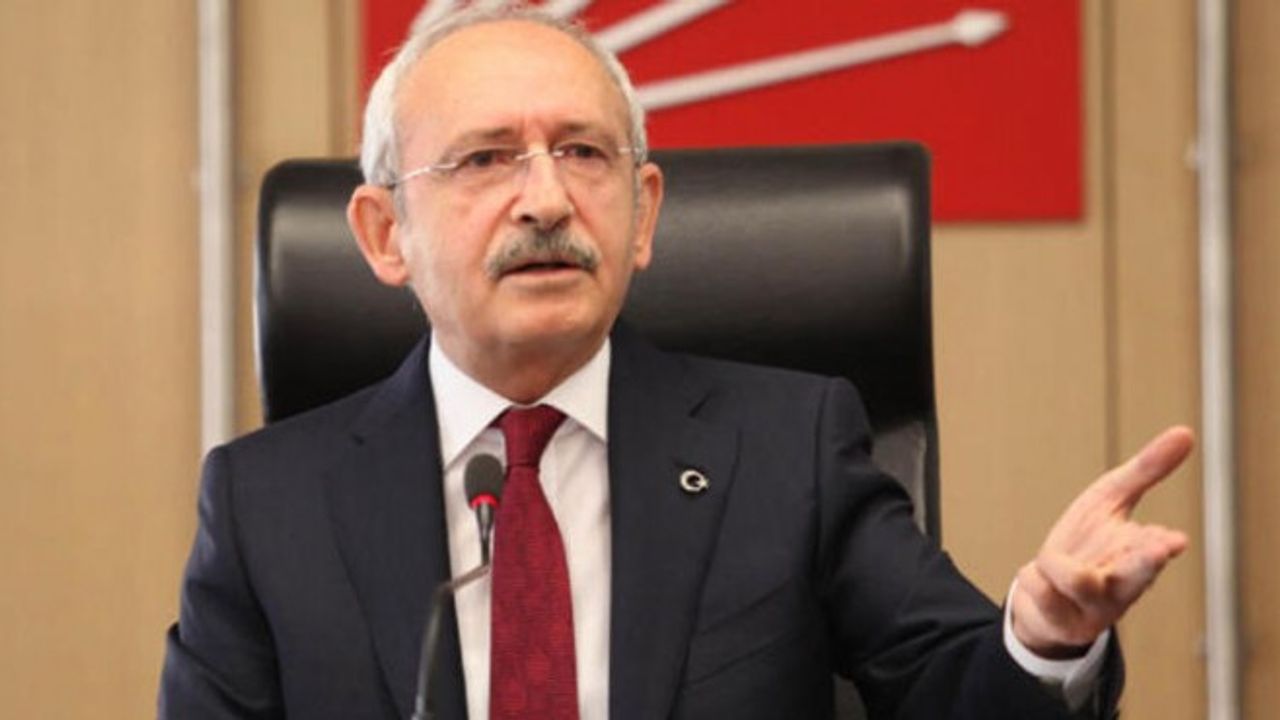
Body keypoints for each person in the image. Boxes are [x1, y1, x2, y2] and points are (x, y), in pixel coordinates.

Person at [160, 6, 1193, 719]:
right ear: (385, 235)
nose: (546, 200)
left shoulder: (784, 452)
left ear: (643, 213)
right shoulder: (266, 506)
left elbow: (952, 691)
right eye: (485, 158)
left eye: (583, 153)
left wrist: (1043, 636)